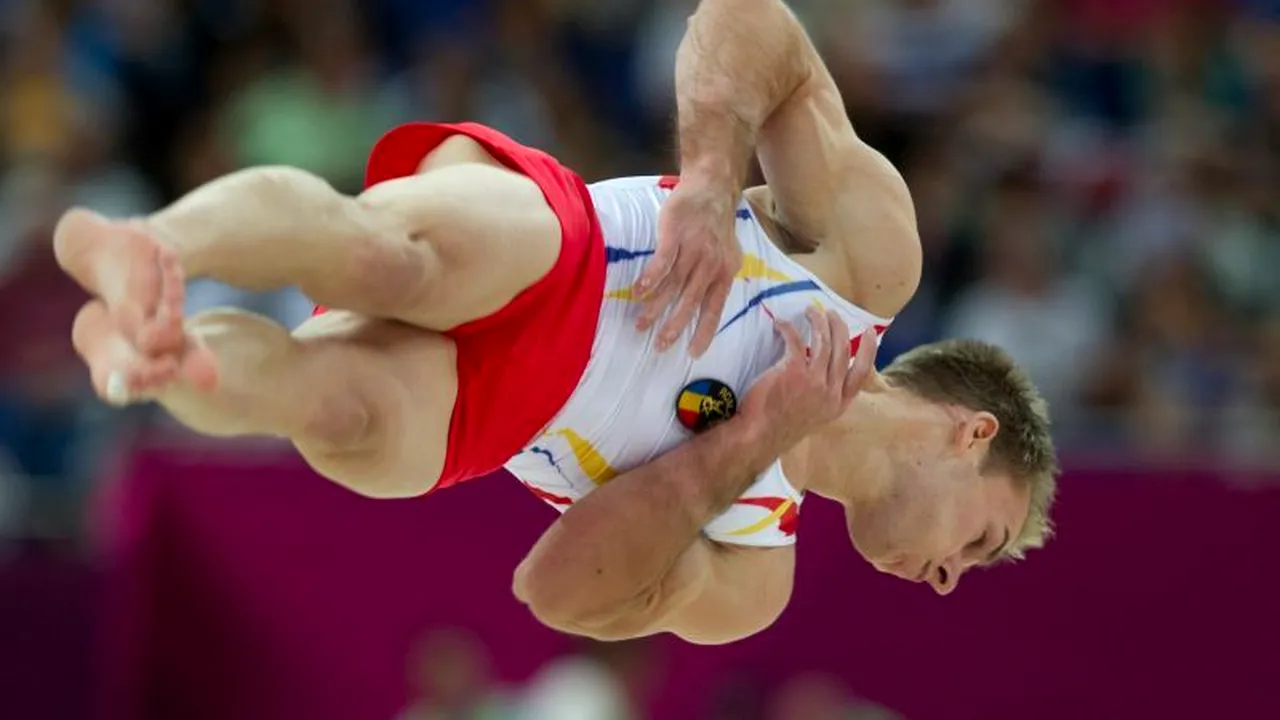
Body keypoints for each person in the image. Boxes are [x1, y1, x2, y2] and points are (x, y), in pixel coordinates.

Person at [54, 0, 1059, 644]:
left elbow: (556, 589)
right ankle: (148, 245)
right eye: (980, 539)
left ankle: (151, 353)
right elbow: (750, 22)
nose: (943, 582)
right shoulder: (867, 268)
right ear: (969, 433)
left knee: (342, 415)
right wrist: (710, 186)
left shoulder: (756, 576)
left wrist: (758, 436)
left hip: (497, 418)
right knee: (394, 260)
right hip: (567, 255)